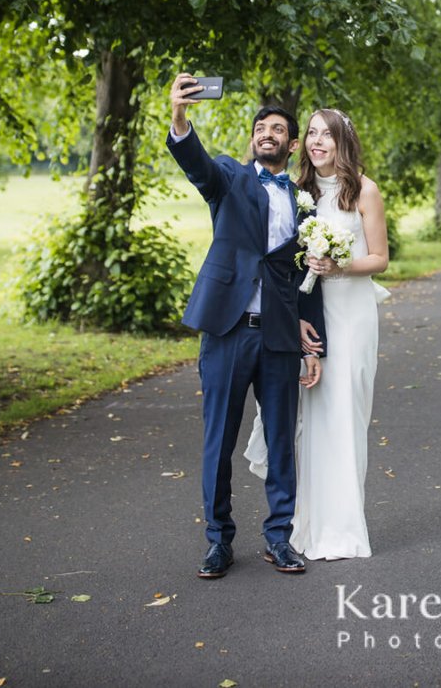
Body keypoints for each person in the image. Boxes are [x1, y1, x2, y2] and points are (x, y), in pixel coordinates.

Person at [166, 74, 324, 580]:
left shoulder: (306, 201)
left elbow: (308, 273)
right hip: (228, 329)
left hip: (279, 333)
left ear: (291, 142)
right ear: (253, 137)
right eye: (261, 127)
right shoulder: (230, 179)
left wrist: (312, 338)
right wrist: (178, 114)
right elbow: (194, 162)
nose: (267, 133)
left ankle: (280, 538)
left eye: (277, 128)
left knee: (281, 439)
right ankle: (218, 541)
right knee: (220, 438)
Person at [245, 107, 388, 560]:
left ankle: (343, 528)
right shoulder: (299, 191)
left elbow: (380, 258)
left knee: (343, 416)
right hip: (308, 316)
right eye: (310, 134)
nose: (316, 142)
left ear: (344, 141)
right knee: (306, 419)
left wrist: (338, 264)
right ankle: (299, 527)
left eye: (326, 135)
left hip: (352, 313)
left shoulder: (364, 190)